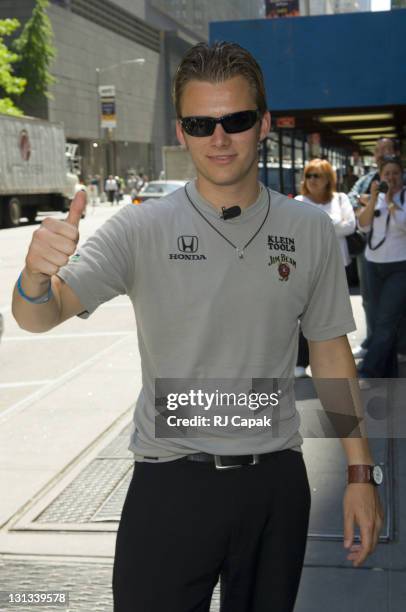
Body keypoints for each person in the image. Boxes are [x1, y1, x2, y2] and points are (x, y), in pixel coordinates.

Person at [12, 42, 383, 612]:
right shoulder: (140, 229)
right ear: (181, 131)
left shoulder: (307, 230)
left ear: (262, 124)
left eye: (235, 120)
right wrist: (35, 276)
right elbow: (39, 315)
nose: (219, 138)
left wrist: (360, 473)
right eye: (200, 123)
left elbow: (331, 355)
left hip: (275, 486)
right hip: (171, 486)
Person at [294, 159, 356, 377]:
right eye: (308, 175)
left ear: (328, 178)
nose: (311, 180)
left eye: (316, 175)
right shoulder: (298, 201)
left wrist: (316, 224)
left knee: (332, 317)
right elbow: (296, 233)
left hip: (338, 266)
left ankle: (333, 367)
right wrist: (330, 225)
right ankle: (301, 361)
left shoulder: (341, 198)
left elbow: (350, 226)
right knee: (303, 315)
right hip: (304, 267)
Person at [348, 138, 398, 359]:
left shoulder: (401, 180)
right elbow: (351, 200)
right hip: (370, 249)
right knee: (369, 299)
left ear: (396, 153)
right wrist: (366, 199)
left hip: (398, 252)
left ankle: (395, 346)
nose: (381, 154)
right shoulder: (367, 180)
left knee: (393, 305)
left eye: (386, 150)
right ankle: (370, 341)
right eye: (378, 151)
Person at [357, 156, 406, 378]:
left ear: (402, 175)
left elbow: (403, 224)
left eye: (396, 173)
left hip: (399, 266)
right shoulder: (373, 197)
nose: (391, 177)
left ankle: (368, 370)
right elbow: (363, 225)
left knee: (386, 320)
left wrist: (389, 202)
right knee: (378, 321)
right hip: (373, 265)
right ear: (380, 175)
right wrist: (375, 197)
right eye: (387, 173)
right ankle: (388, 370)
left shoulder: (403, 197)